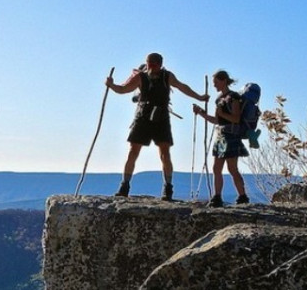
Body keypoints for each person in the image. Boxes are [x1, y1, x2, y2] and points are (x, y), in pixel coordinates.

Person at [106, 52, 209, 201]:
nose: (151, 67)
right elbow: (123, 89)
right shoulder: (140, 77)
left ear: (160, 64)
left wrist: (199, 97)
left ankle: (168, 188)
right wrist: (111, 85)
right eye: (149, 63)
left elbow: (181, 87)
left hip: (161, 118)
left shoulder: (166, 76)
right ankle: (124, 186)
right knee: (133, 152)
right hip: (143, 117)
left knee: (164, 153)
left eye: (154, 64)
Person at [192, 69, 250, 207]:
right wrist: (201, 113)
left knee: (232, 169)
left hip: (231, 136)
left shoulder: (234, 97)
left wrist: (222, 114)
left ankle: (242, 196)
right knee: (216, 168)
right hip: (222, 136)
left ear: (223, 81)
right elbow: (217, 120)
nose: (214, 85)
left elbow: (236, 118)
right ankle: (217, 197)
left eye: (216, 82)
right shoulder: (218, 99)